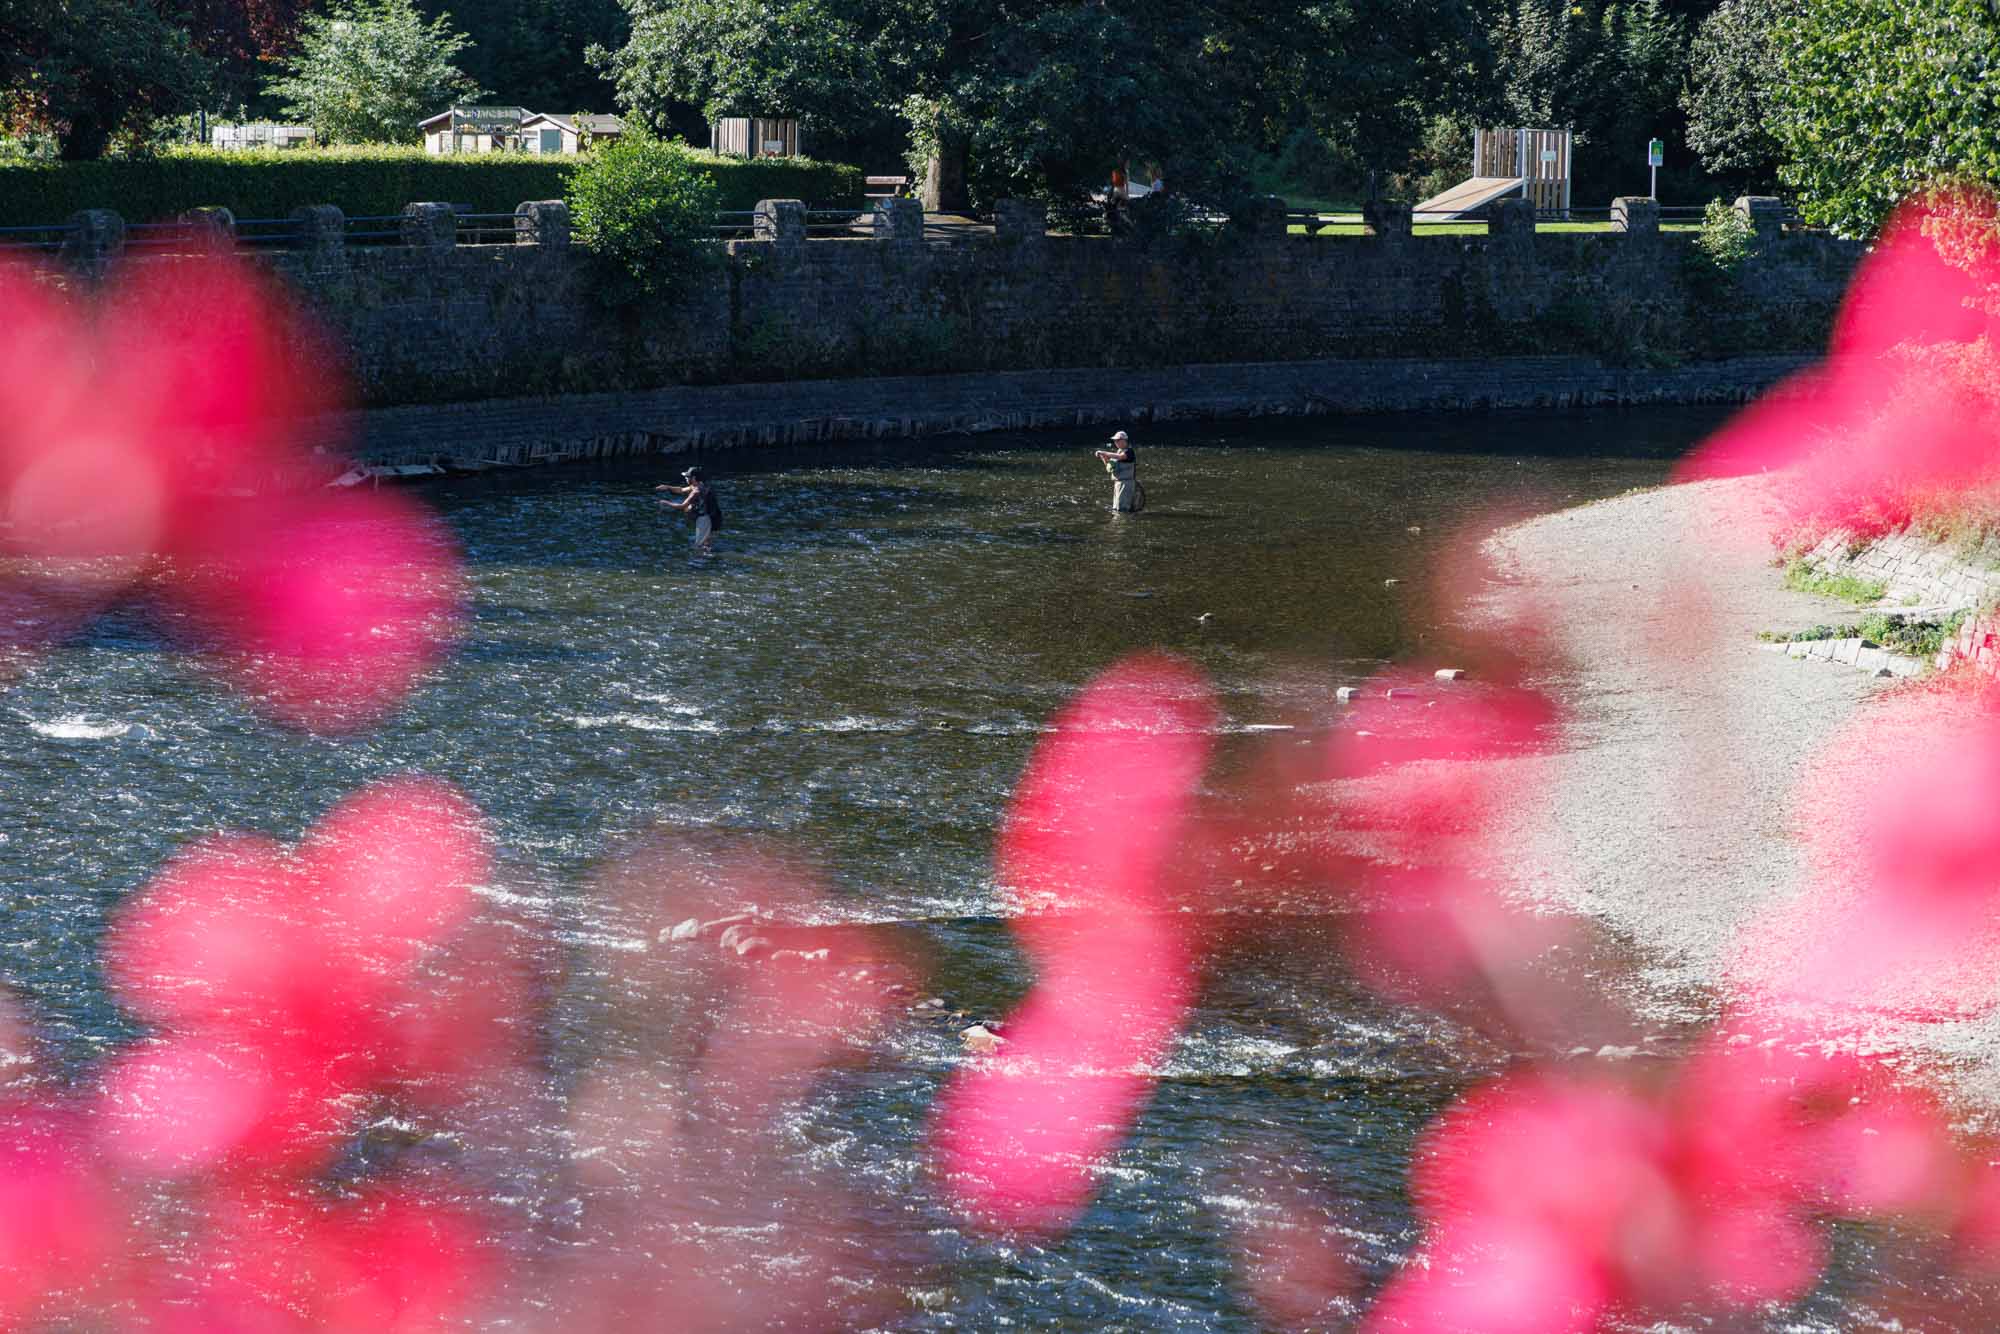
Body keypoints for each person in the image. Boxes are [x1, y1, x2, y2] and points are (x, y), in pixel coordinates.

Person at [656, 465, 723, 553]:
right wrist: (667, 487)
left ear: (694, 478)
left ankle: (704, 562)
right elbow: (681, 490)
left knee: (699, 547)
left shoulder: (696, 491)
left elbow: (682, 506)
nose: (685, 478)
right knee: (706, 545)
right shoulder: (701, 485)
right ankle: (710, 558)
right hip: (714, 517)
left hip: (705, 520)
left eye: (687, 477)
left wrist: (666, 503)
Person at [1093, 429, 1144, 513]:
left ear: (1124, 440)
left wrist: (1103, 452)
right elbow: (1109, 468)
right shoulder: (1118, 453)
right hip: (1118, 483)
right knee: (1116, 508)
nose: (1115, 442)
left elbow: (1120, 457)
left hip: (1126, 483)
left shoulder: (1129, 451)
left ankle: (1124, 524)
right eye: (1115, 440)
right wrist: (1103, 457)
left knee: (1123, 509)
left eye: (1118, 440)